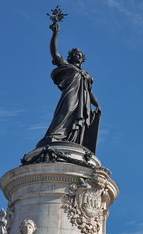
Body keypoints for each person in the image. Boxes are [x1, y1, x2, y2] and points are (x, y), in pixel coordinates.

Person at [37, 21, 101, 152]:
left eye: (80, 55)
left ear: (82, 59)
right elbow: (55, 53)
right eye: (75, 54)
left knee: (80, 120)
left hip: (84, 100)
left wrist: (97, 104)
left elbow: (89, 91)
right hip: (71, 94)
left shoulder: (87, 75)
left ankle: (73, 140)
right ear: (71, 56)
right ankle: (55, 136)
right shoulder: (67, 66)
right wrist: (55, 34)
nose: (78, 56)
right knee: (66, 111)